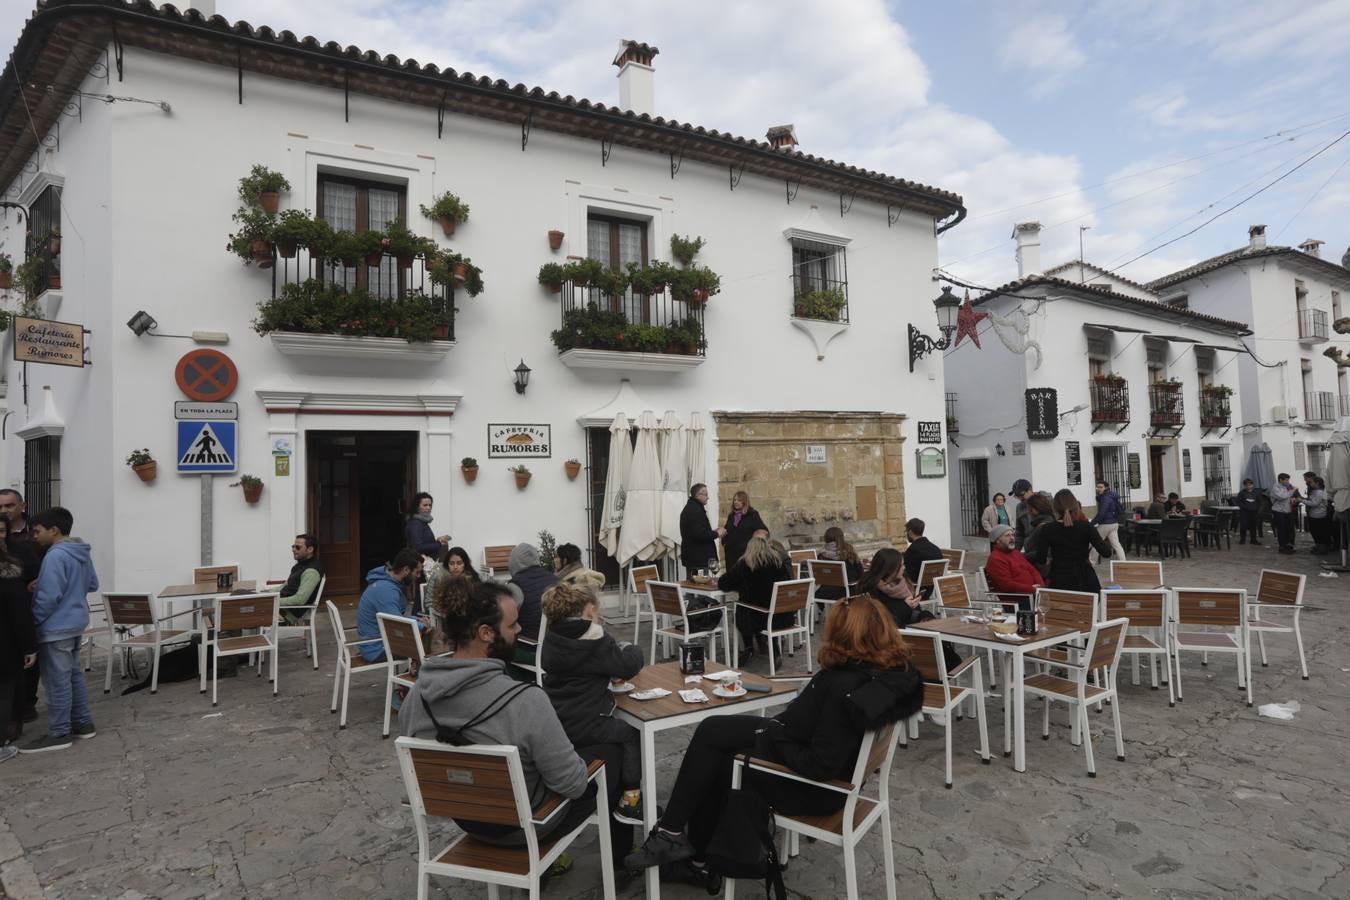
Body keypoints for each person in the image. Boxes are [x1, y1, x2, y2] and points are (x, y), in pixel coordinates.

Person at [624, 595, 923, 874]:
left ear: (845, 634)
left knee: (722, 761)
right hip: (803, 747)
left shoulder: (844, 687)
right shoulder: (878, 675)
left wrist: (777, 736)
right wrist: (780, 729)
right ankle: (677, 838)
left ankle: (694, 853)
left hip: (813, 788)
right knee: (713, 728)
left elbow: (822, 765)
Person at [399, 581, 631, 867]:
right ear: (486, 633)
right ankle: (622, 856)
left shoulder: (417, 697)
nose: (520, 630)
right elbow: (572, 785)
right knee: (610, 752)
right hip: (527, 827)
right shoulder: (525, 701)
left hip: (467, 820)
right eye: (512, 625)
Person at [539, 582, 646, 825]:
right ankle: (631, 799)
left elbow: (583, 670)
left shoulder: (552, 639)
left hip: (558, 720)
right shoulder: (594, 639)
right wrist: (631, 648)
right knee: (631, 734)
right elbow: (628, 665)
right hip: (588, 723)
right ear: (588, 610)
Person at [20, 507, 99, 754]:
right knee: (73, 676)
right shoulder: (80, 552)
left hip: (56, 628)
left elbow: (49, 596)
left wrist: (32, 622)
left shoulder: (55, 555)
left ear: (53, 530)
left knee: (56, 682)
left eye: (37, 531)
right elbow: (92, 583)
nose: (34, 536)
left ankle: (58, 733)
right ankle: (83, 723)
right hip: (76, 623)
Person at [717, 533, 792, 662]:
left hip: (756, 618)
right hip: (783, 615)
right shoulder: (779, 563)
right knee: (762, 606)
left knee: (742, 608)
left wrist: (740, 585)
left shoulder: (745, 565)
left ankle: (749, 648)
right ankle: (772, 648)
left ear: (749, 549)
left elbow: (723, 583)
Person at [0, 490, 41, 727]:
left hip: (18, 617)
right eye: (1, 506)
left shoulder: (27, 542)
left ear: (22, 506)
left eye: (9, 505)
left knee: (21, 670)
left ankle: (24, 708)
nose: (5, 510)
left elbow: (35, 579)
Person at [1026, 490, 1112, 594]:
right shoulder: (1086, 527)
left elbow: (1041, 559)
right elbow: (1106, 552)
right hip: (1085, 579)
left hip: (1060, 579)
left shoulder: (1047, 529)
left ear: (1055, 508)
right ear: (1075, 507)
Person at [0, 516, 35, 761]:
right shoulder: (9, 572)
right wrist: (29, 647)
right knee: (4, 691)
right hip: (5, 644)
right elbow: (19, 613)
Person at [355, 548, 422, 663]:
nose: (418, 576)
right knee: (428, 648)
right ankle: (412, 679)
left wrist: (417, 619)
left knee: (424, 640)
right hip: (376, 649)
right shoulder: (386, 590)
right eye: (417, 572)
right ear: (406, 569)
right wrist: (422, 625)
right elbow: (397, 624)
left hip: (374, 642)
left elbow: (394, 618)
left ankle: (409, 677)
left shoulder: (386, 580)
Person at [505, 543, 557, 644]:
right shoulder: (555, 580)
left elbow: (506, 620)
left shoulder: (515, 586)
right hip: (556, 643)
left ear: (513, 562)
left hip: (529, 644)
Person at [984, 524, 1044, 609]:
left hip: (1031, 595)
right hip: (1017, 601)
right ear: (998, 540)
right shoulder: (996, 558)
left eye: (1012, 535)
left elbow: (1032, 570)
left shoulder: (1015, 553)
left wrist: (1040, 586)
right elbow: (1007, 585)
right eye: (1007, 535)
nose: (1012, 538)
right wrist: (1032, 589)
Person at [679, 483, 725, 576]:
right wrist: (717, 534)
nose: (708, 498)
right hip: (699, 560)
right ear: (699, 495)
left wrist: (713, 532)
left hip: (700, 558)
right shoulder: (694, 510)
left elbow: (699, 531)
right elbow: (699, 535)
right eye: (706, 495)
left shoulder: (694, 508)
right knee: (702, 588)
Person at [278, 533, 323, 625]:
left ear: (310, 549)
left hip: (285, 614)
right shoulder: (300, 565)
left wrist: (272, 601)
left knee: (246, 613)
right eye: (293, 546)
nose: (293, 550)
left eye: (298, 547)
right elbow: (285, 586)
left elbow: (300, 599)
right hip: (278, 608)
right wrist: (264, 594)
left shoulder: (311, 571)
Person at [721, 491, 767, 571]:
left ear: (744, 502)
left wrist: (754, 547)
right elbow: (726, 530)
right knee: (731, 578)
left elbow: (763, 531)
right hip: (730, 554)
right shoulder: (731, 515)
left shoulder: (752, 514)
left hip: (745, 554)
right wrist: (724, 542)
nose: (736, 502)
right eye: (734, 500)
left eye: (739, 500)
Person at [817, 526, 862, 602]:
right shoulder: (849, 552)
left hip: (825, 593)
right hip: (846, 592)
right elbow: (860, 573)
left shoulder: (821, 555)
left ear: (826, 538)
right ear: (841, 537)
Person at [901, 518, 944, 595]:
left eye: (906, 531)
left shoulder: (913, 550)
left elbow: (908, 573)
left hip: (916, 590)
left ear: (910, 532)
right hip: (931, 589)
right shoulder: (936, 549)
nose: (906, 534)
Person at [1089, 481, 1127, 563]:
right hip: (1114, 523)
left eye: (1101, 487)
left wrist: (1092, 523)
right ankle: (1123, 562)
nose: (1098, 489)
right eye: (1097, 487)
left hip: (1106, 524)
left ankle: (1091, 562)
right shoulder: (1111, 496)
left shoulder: (1105, 498)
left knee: (1097, 543)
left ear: (1106, 488)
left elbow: (1102, 513)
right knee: (1116, 545)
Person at [404, 492, 449, 560]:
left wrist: (437, 541)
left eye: (430, 505)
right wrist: (439, 543)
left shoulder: (421, 522)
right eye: (425, 505)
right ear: (417, 507)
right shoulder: (415, 523)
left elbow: (424, 542)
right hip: (421, 565)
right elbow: (418, 547)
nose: (428, 508)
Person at [1019, 492, 1057, 565]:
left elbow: (1044, 554)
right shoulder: (1049, 522)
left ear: (1034, 510)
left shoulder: (1042, 527)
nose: (1028, 512)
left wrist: (1021, 556)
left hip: (1042, 571)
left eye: (1029, 509)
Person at [1010, 479, 1050, 548]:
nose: (1020, 498)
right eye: (1016, 495)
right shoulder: (1019, 507)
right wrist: (1016, 551)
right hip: (1030, 549)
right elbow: (1019, 532)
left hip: (1047, 547)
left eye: (1021, 494)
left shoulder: (1046, 500)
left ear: (1030, 490)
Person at [1269, 473, 1299, 555]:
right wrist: (1292, 491)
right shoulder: (1276, 487)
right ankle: (1282, 546)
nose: (1287, 481)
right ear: (1280, 480)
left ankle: (1288, 545)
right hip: (1279, 511)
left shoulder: (1287, 487)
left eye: (1288, 480)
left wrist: (1294, 500)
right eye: (1286, 480)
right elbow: (1281, 496)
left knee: (1288, 529)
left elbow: (1289, 497)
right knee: (1281, 529)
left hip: (1287, 511)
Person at [1305, 476, 1332, 554]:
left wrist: (1302, 500)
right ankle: (1318, 546)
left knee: (1320, 533)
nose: (1310, 484)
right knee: (1315, 532)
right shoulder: (1315, 491)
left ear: (1317, 483)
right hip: (1314, 515)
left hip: (1319, 516)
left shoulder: (1320, 492)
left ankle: (1322, 549)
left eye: (1312, 482)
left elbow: (1315, 503)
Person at [1236, 478, 1262, 545]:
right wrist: (1244, 507)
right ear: (1245, 486)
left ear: (1252, 485)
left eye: (1250, 485)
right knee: (1243, 525)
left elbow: (1259, 501)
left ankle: (1253, 540)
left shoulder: (1256, 492)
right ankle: (1242, 539)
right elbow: (1238, 502)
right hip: (1244, 512)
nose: (1249, 486)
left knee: (1253, 526)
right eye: (1247, 485)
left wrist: (1257, 508)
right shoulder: (1242, 493)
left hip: (1254, 511)